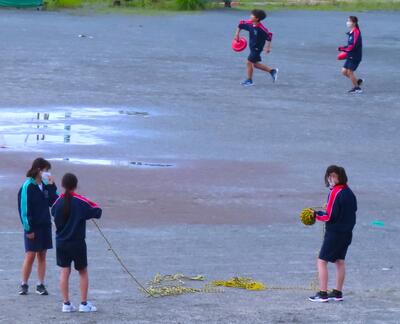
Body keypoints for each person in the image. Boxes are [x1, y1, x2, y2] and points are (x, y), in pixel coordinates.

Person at [51, 173, 102, 313]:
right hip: (77, 243)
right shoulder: (80, 201)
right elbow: (97, 210)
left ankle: (66, 304)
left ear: (62, 185)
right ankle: (83, 304)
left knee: (64, 271)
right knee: (82, 271)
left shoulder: (58, 202)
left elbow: (53, 212)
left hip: (61, 242)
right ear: (75, 185)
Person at [309, 165, 357, 302]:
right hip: (347, 234)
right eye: (329, 176)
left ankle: (323, 294)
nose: (331, 178)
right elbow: (348, 210)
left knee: (321, 261)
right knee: (339, 261)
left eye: (334, 176)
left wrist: (315, 214)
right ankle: (337, 292)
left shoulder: (335, 192)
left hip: (335, 233)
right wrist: (330, 206)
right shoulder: (349, 192)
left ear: (340, 177)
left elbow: (329, 217)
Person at [17, 157, 58, 296]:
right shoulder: (27, 186)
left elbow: (54, 202)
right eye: (46, 170)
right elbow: (24, 210)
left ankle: (40, 284)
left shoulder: (45, 186)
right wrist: (28, 229)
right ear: (39, 170)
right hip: (33, 227)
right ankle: (24, 284)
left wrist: (52, 186)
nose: (48, 173)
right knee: (30, 255)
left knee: (42, 255)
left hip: (45, 225)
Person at [234, 9, 278, 86]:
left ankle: (249, 80)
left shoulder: (262, 29)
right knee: (255, 64)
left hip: (257, 48)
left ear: (257, 18)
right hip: (252, 46)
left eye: (252, 15)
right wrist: (237, 34)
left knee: (249, 62)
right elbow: (240, 24)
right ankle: (272, 71)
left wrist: (268, 47)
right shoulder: (250, 23)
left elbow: (269, 36)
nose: (250, 16)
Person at [339, 16, 363, 93]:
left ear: (354, 23)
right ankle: (357, 82)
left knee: (349, 72)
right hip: (350, 55)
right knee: (343, 71)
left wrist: (342, 49)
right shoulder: (351, 33)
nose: (347, 22)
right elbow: (349, 45)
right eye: (348, 21)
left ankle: (357, 88)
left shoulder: (356, 32)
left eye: (349, 21)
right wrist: (342, 48)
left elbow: (352, 46)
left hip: (355, 56)